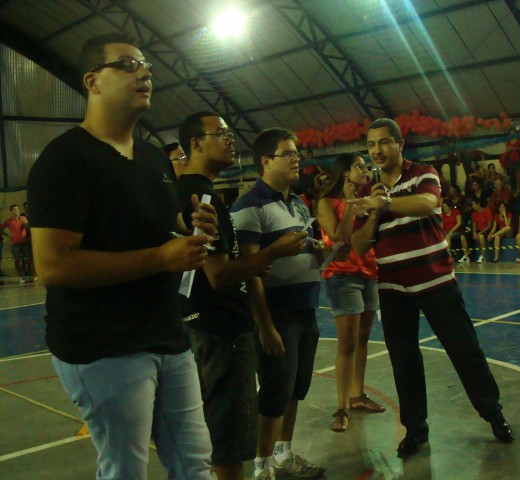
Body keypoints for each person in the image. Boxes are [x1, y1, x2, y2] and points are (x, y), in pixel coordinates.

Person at [26, 33, 217, 479]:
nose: (144, 73)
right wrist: (161, 258)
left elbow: (153, 225)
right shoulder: (65, 159)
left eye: (146, 66)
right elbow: (53, 265)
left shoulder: (152, 158)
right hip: (103, 345)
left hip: (166, 335)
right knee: (126, 469)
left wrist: (188, 229)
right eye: (128, 65)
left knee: (195, 463)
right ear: (92, 81)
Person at [349, 118, 513, 459]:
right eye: (371, 145)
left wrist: (385, 204)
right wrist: (375, 213)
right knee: (404, 362)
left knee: (465, 351)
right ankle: (415, 430)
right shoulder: (367, 193)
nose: (377, 150)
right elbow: (360, 246)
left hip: (437, 283)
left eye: (384, 142)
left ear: (400, 144)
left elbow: (426, 204)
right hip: (393, 289)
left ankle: (493, 414)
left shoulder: (423, 173)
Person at [177, 113, 308, 480]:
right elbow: (218, 276)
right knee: (229, 437)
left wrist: (252, 263)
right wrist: (272, 253)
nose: (230, 138)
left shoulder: (198, 192)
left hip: (204, 322)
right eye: (220, 133)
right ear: (196, 143)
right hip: (220, 327)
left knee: (223, 432)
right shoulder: (200, 197)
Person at [230, 128, 325, 480]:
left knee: (295, 388)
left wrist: (321, 253)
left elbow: (304, 250)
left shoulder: (298, 203)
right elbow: (250, 270)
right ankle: (262, 467)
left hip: (305, 309)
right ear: (266, 161)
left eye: (297, 152)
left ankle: (284, 454)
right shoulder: (248, 206)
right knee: (274, 391)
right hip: (277, 314)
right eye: (289, 153)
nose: (297, 159)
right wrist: (265, 325)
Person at [316, 152, 385, 433]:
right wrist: (347, 204)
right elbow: (339, 238)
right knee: (347, 344)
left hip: (369, 273)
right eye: (359, 166)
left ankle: (357, 395)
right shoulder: (326, 202)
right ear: (345, 173)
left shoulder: (365, 200)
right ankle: (343, 406)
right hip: (343, 276)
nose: (365, 170)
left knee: (363, 339)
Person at [0, 204, 30, 282]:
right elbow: (1, 228)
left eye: (17, 209)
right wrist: (7, 235)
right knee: (17, 259)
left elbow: (27, 227)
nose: (16, 210)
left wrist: (22, 219)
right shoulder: (9, 221)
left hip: (24, 242)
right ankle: (20, 274)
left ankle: (24, 272)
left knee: (25, 258)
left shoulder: (23, 218)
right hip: (15, 243)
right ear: (11, 211)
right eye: (14, 209)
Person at [470, 198, 493, 263]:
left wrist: (481, 232)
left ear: (478, 204)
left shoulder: (487, 211)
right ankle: (466, 256)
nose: (472, 206)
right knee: (463, 236)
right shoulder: (474, 214)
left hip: (486, 230)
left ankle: (482, 257)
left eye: (473, 204)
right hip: (479, 230)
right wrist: (474, 232)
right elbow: (474, 225)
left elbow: (489, 226)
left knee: (481, 236)